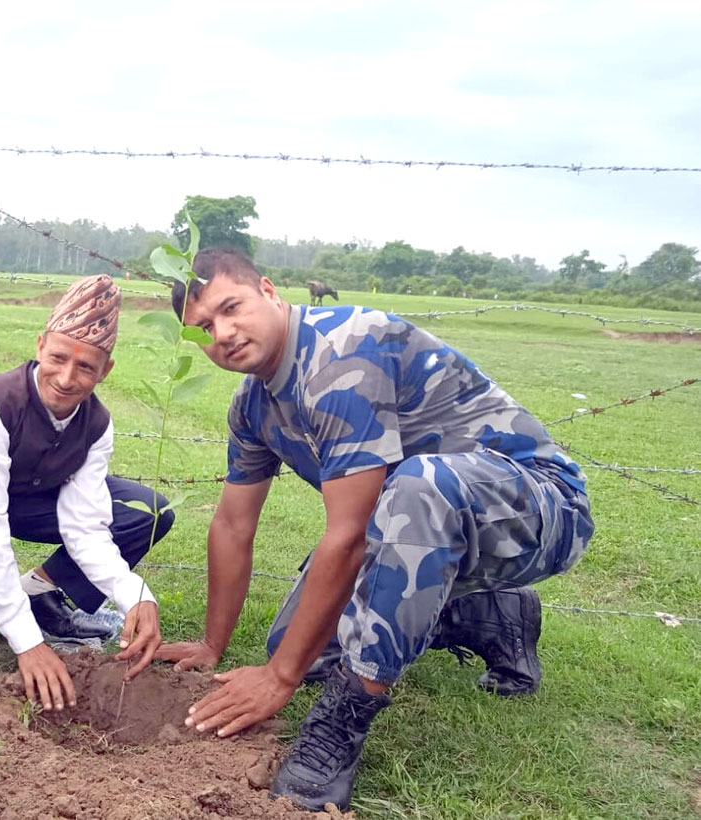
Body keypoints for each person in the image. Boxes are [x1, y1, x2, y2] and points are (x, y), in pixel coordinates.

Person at [156, 248, 594, 811]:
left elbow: (350, 535)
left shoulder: (341, 353)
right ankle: (489, 615)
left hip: (536, 507)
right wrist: (213, 645)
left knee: (417, 486)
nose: (223, 333)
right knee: (300, 646)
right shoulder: (252, 408)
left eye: (230, 307)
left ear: (268, 290)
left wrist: (278, 679)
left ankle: (342, 723)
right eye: (203, 328)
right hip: (418, 524)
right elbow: (233, 524)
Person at [0, 275, 171, 709]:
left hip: (28, 495)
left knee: (147, 512)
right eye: (58, 357)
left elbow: (85, 527)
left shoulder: (96, 425)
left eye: (86, 367)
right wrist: (27, 642)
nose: (67, 378)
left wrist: (135, 594)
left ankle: (38, 591)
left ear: (106, 370)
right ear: (40, 346)